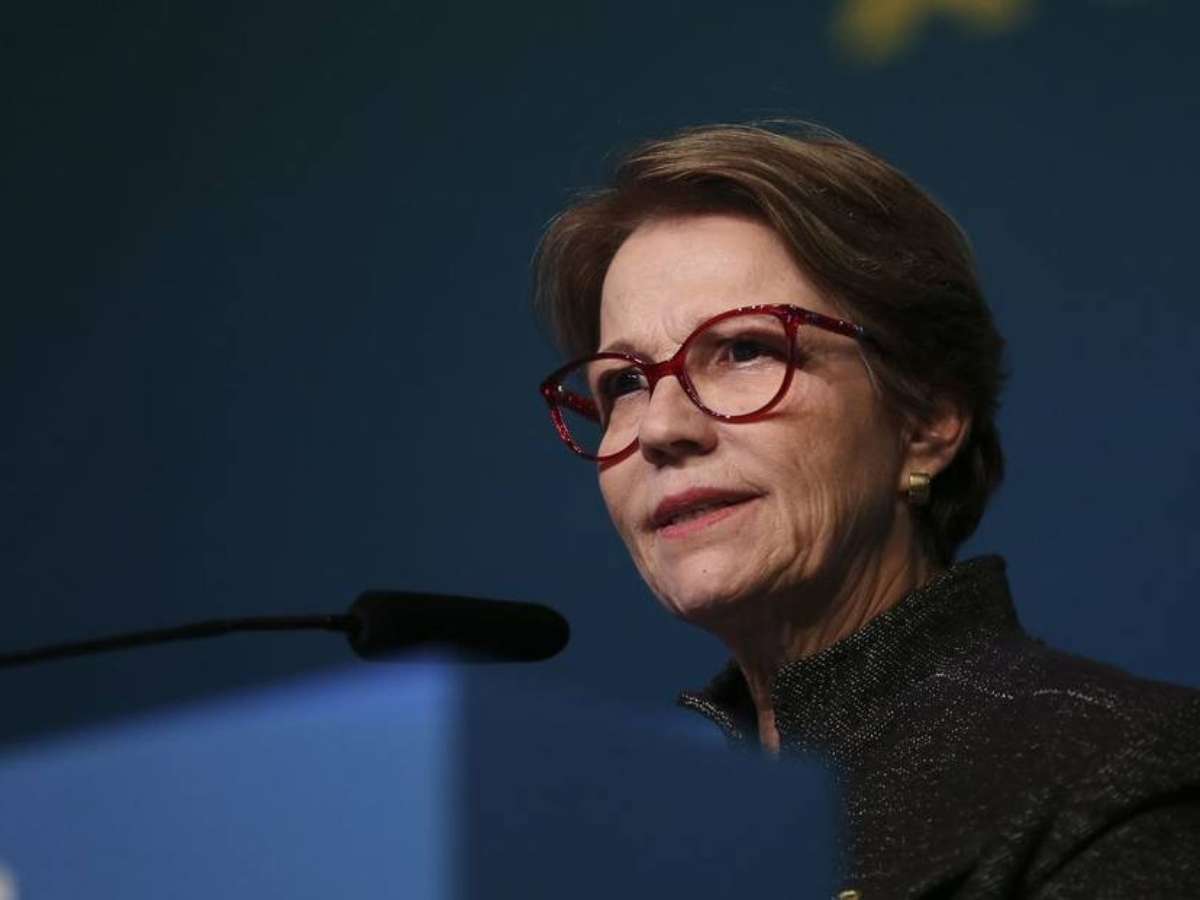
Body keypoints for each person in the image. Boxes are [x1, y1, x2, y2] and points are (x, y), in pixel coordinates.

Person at [533, 123, 1200, 898]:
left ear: (927, 421)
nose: (661, 428)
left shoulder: (1121, 771)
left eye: (745, 349)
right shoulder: (605, 852)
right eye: (624, 384)